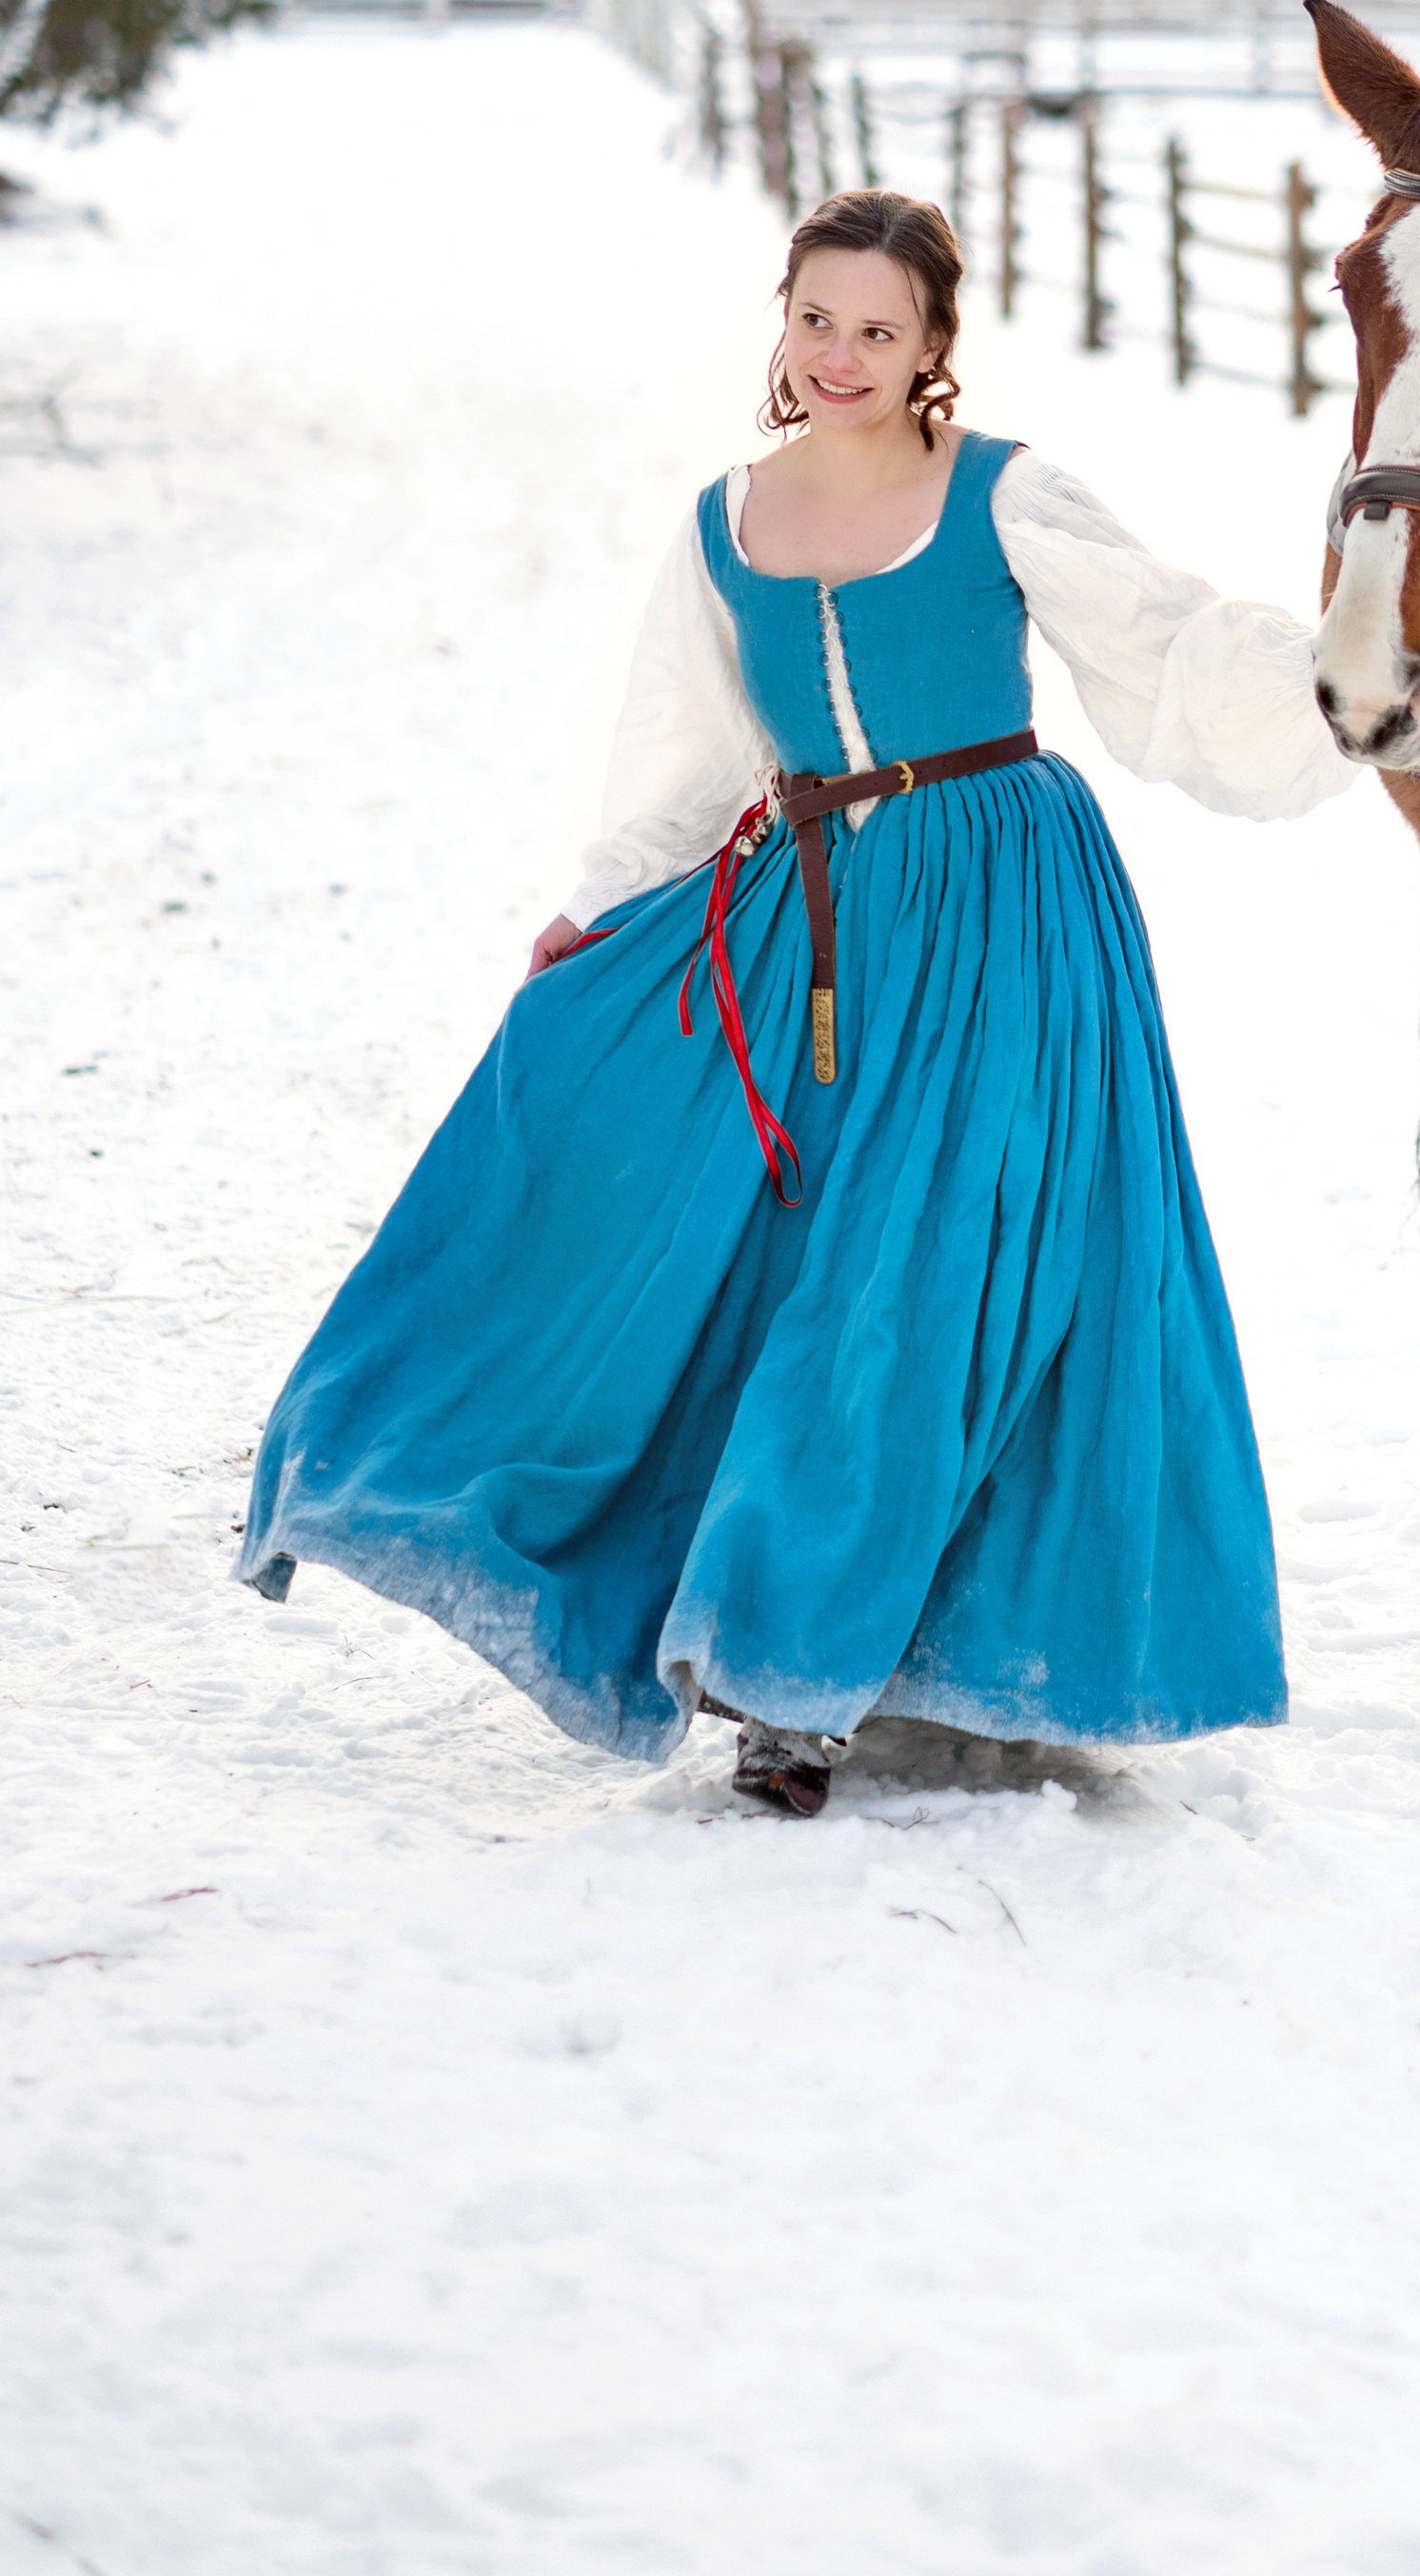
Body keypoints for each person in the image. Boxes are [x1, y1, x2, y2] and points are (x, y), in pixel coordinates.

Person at [238, 188, 1352, 1813]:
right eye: (816, 320)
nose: (840, 356)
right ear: (784, 322)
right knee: (778, 1264)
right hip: (809, 927)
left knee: (925, 1278)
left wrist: (1351, 677)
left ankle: (793, 1680)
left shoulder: (1007, 493)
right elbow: (690, 758)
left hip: (1006, 918)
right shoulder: (723, 526)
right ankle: (786, 1630)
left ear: (932, 351)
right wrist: (602, 909)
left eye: (878, 330)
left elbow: (1170, 656)